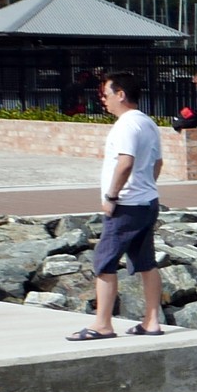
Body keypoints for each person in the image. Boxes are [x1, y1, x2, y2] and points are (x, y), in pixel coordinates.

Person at [72, 71, 164, 340]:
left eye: (106, 94)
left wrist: (112, 197)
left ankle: (102, 325)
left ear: (121, 94)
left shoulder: (125, 125)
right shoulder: (148, 123)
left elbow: (125, 162)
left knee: (104, 261)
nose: (103, 100)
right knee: (146, 262)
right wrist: (145, 186)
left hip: (126, 205)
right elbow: (157, 164)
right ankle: (151, 322)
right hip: (147, 202)